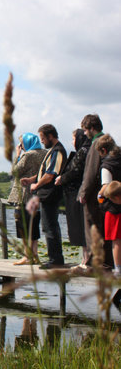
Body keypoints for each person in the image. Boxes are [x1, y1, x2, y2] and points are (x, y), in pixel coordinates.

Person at [21, 124, 67, 268]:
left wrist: (36, 185)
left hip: (50, 194)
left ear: (50, 136)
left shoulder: (58, 151)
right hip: (46, 194)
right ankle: (53, 258)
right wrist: (31, 179)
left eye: (42, 138)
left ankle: (55, 260)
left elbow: (50, 175)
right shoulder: (51, 150)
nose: (41, 141)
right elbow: (44, 172)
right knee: (48, 226)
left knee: (50, 227)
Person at [77, 114, 113, 270]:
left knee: (92, 227)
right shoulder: (109, 142)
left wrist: (83, 193)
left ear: (92, 128)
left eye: (85, 130)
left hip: (94, 194)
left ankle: (93, 262)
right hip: (107, 193)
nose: (84, 133)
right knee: (103, 227)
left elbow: (91, 172)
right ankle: (107, 261)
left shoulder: (96, 144)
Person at [8, 133, 46, 265]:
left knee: (22, 227)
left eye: (22, 144)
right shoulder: (44, 153)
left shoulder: (27, 155)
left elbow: (14, 172)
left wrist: (17, 155)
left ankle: (27, 255)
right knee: (34, 225)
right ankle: (34, 254)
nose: (21, 147)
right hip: (37, 193)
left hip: (23, 194)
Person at [55, 129, 91, 266]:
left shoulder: (83, 151)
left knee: (81, 228)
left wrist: (62, 178)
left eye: (73, 138)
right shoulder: (87, 150)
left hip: (77, 194)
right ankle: (85, 259)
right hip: (76, 194)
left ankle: (86, 260)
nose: (72, 141)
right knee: (81, 228)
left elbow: (75, 171)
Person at [96, 135, 121, 276]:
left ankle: (118, 269)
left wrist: (99, 197)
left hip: (114, 207)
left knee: (116, 239)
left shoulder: (107, 165)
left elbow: (105, 188)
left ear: (103, 150)